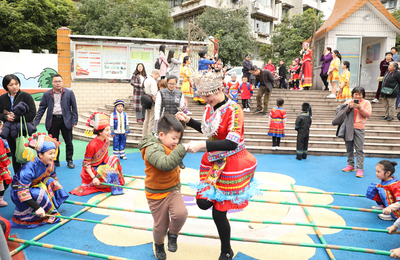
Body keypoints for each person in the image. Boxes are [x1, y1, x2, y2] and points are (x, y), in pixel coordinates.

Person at [176, 71, 258, 260]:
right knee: (203, 202)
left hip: (232, 162)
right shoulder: (210, 108)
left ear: (220, 89)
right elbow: (209, 131)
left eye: (208, 96)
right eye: (203, 96)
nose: (206, 100)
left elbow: (232, 143)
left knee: (219, 212)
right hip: (214, 161)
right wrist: (189, 121)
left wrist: (202, 145)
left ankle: (226, 251)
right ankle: (219, 204)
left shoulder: (235, 110)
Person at [138, 115, 188, 260]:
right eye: (174, 138)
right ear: (161, 135)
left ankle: (172, 234)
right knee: (160, 226)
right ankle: (159, 244)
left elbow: (174, 139)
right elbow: (165, 164)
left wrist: (182, 123)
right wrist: (182, 149)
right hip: (156, 194)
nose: (176, 142)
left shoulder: (167, 142)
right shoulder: (152, 149)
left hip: (172, 189)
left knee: (181, 214)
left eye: (178, 138)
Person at [10, 134, 69, 228]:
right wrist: (37, 207)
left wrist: (55, 194)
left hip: (34, 186)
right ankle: (35, 211)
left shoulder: (51, 163)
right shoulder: (28, 168)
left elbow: (54, 178)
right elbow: (22, 192)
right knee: (40, 192)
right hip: (19, 193)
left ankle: (50, 205)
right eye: (50, 153)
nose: (53, 156)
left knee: (51, 181)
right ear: (40, 155)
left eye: (54, 153)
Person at [70, 112, 125, 196]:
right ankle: (103, 182)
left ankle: (116, 180)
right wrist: (94, 177)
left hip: (101, 165)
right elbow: (86, 164)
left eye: (109, 129)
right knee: (110, 173)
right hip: (92, 169)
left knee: (115, 159)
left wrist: (110, 167)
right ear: (99, 132)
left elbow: (105, 158)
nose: (109, 132)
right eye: (107, 130)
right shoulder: (92, 145)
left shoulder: (106, 140)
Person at [34, 74, 78, 169]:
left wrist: (74, 120)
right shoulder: (47, 94)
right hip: (52, 120)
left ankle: (69, 160)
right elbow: (42, 108)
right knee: (53, 142)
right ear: (52, 82)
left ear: (62, 82)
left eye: (59, 81)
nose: (58, 83)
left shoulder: (69, 93)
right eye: (56, 81)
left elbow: (74, 107)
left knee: (68, 142)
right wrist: (36, 122)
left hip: (66, 120)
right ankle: (55, 160)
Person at [0, 74, 36, 175]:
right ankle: (18, 178)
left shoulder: (26, 96)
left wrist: (16, 118)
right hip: (10, 133)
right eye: (11, 85)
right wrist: (6, 117)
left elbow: (32, 113)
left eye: (16, 83)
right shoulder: (2, 98)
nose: (15, 86)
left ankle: (28, 177)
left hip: (24, 131)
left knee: (26, 153)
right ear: (6, 86)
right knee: (15, 155)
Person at [154, 76, 186, 169]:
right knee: (164, 141)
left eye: (174, 84)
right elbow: (157, 107)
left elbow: (182, 106)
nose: (172, 85)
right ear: (167, 83)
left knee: (177, 141)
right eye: (170, 83)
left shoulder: (179, 93)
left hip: (176, 120)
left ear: (176, 84)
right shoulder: (161, 93)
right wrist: (157, 120)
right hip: (165, 120)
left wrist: (182, 109)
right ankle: (162, 160)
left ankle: (179, 160)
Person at [341, 87, 372, 178]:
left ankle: (360, 168)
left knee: (359, 149)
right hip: (348, 128)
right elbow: (341, 112)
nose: (358, 96)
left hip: (359, 128)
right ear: (353, 94)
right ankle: (350, 165)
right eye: (356, 94)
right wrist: (349, 107)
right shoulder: (348, 102)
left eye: (360, 94)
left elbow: (368, 114)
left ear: (363, 95)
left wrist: (360, 108)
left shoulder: (366, 103)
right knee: (349, 147)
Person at [142, 70, 160, 139]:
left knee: (146, 119)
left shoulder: (146, 79)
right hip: (152, 102)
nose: (158, 77)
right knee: (151, 120)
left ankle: (144, 136)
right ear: (156, 74)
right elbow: (154, 92)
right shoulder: (153, 81)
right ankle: (149, 136)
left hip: (146, 101)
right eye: (158, 75)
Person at [0, 121, 11, 207]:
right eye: (0, 129)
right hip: (1, 166)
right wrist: (6, 163)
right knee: (4, 181)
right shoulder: (0, 141)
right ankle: (0, 199)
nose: (1, 131)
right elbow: (2, 153)